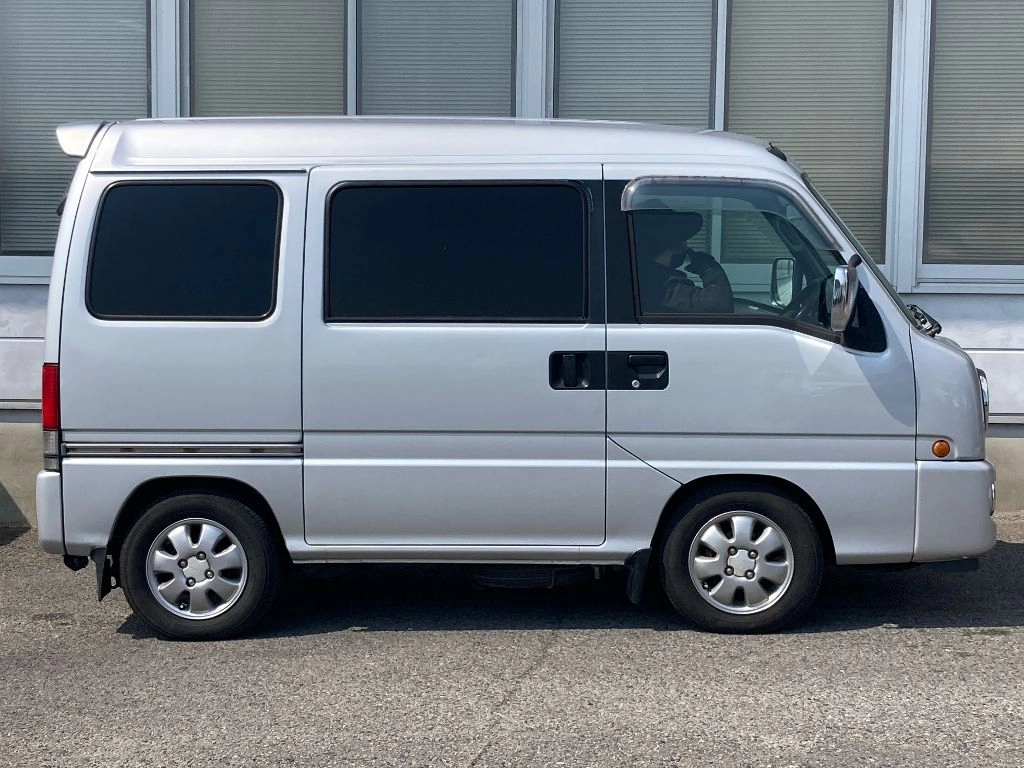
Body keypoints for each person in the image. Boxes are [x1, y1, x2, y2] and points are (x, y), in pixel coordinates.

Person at [640, 210, 734, 314]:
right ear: (669, 245)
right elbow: (719, 305)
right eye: (681, 241)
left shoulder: (641, 276)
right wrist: (709, 268)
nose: (685, 248)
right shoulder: (659, 285)